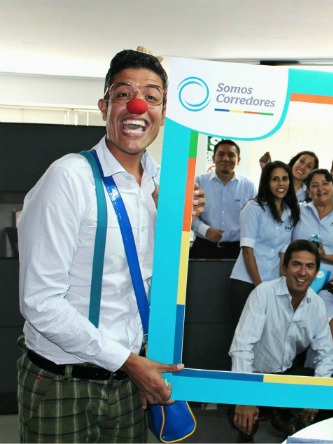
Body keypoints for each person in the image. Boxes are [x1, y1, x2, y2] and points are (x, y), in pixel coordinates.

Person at [16, 48, 205, 442]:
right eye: (124, 94)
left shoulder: (165, 185)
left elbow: (155, 282)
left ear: (162, 113)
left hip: (129, 383)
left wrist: (178, 229)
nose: (137, 104)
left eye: (151, 96)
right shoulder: (69, 178)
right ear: (105, 106)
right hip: (64, 384)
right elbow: (40, 301)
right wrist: (127, 361)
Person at [229, 240, 333, 442]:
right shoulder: (263, 293)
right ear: (285, 268)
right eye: (296, 264)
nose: (302, 272)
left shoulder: (317, 304)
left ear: (316, 273)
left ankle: (286, 419)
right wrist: (245, 397)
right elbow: (242, 348)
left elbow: (327, 355)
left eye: (309, 266)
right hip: (255, 377)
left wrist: (316, 396)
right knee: (244, 421)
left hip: (286, 376)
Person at [229, 161, 300, 332]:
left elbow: (283, 253)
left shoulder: (290, 212)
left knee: (269, 334)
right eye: (275, 179)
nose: (281, 183)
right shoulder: (253, 208)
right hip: (247, 282)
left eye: (285, 179)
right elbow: (247, 251)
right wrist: (259, 286)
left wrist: (282, 286)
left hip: (273, 284)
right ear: (267, 182)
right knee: (246, 334)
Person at [190, 139, 256, 259]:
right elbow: (188, 214)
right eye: (221, 154)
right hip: (203, 247)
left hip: (237, 250)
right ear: (213, 158)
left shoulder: (249, 186)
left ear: (238, 160)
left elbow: (255, 219)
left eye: (231, 155)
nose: (225, 158)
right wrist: (205, 230)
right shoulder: (198, 182)